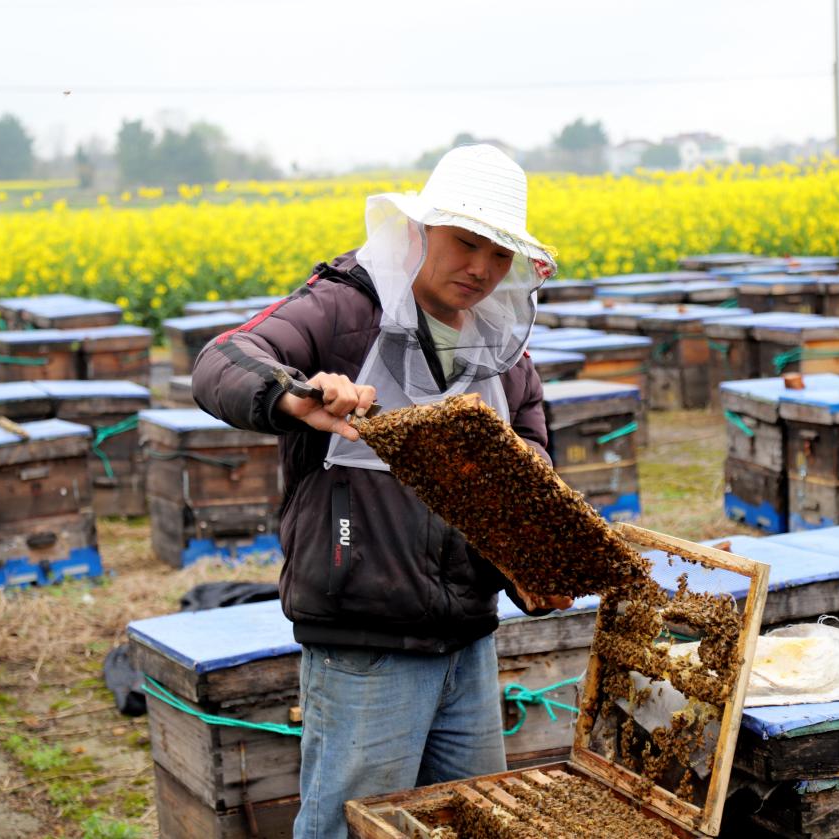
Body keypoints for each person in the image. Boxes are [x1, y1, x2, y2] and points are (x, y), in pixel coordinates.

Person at [192, 144, 571, 839]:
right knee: (351, 826)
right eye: (465, 244)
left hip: (469, 634)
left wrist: (528, 500)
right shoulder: (343, 310)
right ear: (422, 230)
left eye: (498, 254)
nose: (482, 269)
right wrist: (291, 393)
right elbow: (223, 359)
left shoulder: (498, 342)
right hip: (367, 637)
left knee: (472, 821)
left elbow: (536, 443)